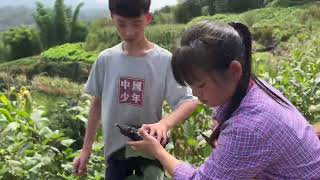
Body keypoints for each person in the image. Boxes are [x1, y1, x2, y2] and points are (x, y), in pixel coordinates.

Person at [128, 21, 320, 179]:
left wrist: (158, 152)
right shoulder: (252, 86)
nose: (195, 94)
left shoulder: (249, 126)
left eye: (201, 85)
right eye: (191, 85)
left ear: (234, 70)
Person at [72, 0, 197, 179]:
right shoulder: (106, 60)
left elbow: (188, 101)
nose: (129, 32)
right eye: (121, 24)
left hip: (150, 156)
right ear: (112, 18)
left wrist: (164, 124)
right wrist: (86, 150)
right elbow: (96, 105)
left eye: (136, 24)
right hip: (115, 156)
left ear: (148, 19)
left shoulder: (164, 60)